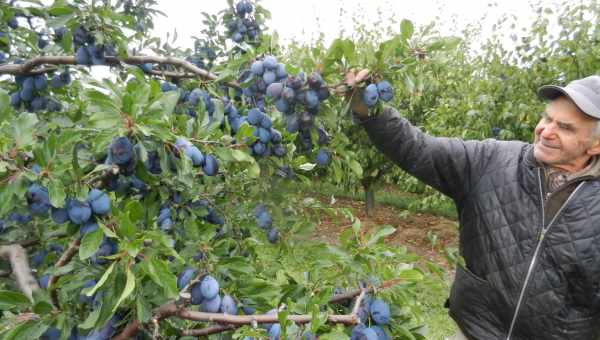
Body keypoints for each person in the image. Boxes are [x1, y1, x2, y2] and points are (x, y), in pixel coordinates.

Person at [348, 73, 600, 340]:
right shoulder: (492, 161)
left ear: (596, 145)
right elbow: (417, 149)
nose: (546, 131)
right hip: (474, 332)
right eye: (547, 118)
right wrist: (367, 108)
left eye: (566, 127)